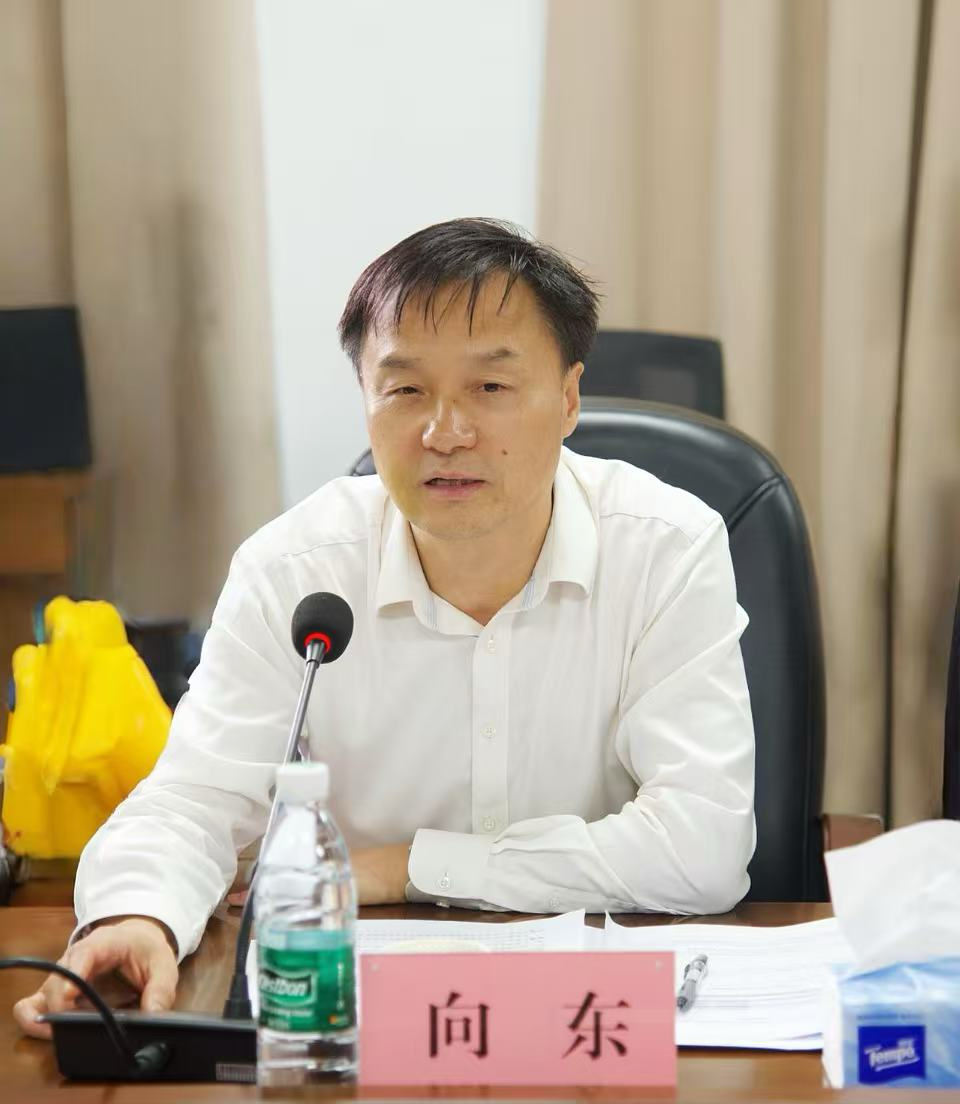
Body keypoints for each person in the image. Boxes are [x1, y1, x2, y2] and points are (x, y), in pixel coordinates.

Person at [14, 218, 755, 1038]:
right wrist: (137, 915)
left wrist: (411, 867)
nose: (446, 432)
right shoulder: (293, 572)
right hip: (357, 1026)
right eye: (405, 390)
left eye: (491, 387)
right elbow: (194, 802)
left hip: (608, 1028)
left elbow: (702, 847)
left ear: (570, 398)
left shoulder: (666, 551)